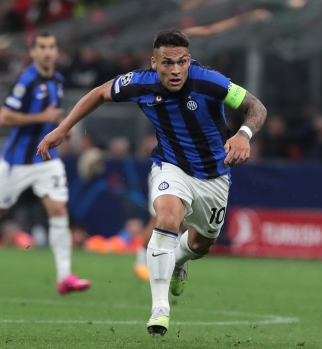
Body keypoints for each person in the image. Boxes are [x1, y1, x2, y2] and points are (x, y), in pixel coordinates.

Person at [37, 29, 267, 336]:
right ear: (153, 62)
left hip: (215, 174)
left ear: (189, 60)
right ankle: (160, 309)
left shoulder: (210, 81)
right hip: (170, 166)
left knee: (202, 244)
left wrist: (243, 134)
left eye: (181, 62)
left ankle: (180, 261)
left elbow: (257, 107)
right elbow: (99, 93)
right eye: (167, 62)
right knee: (167, 218)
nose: (175, 70)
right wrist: (64, 130)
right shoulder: (139, 82)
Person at [0, 31, 91, 295]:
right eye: (42, 47)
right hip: (17, 161)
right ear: (33, 52)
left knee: (59, 211)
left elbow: (51, 117)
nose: (48, 51)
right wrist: (43, 117)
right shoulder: (26, 80)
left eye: (52, 46)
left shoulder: (58, 80)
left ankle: (64, 277)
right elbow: (4, 117)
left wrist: (61, 128)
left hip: (46, 160)